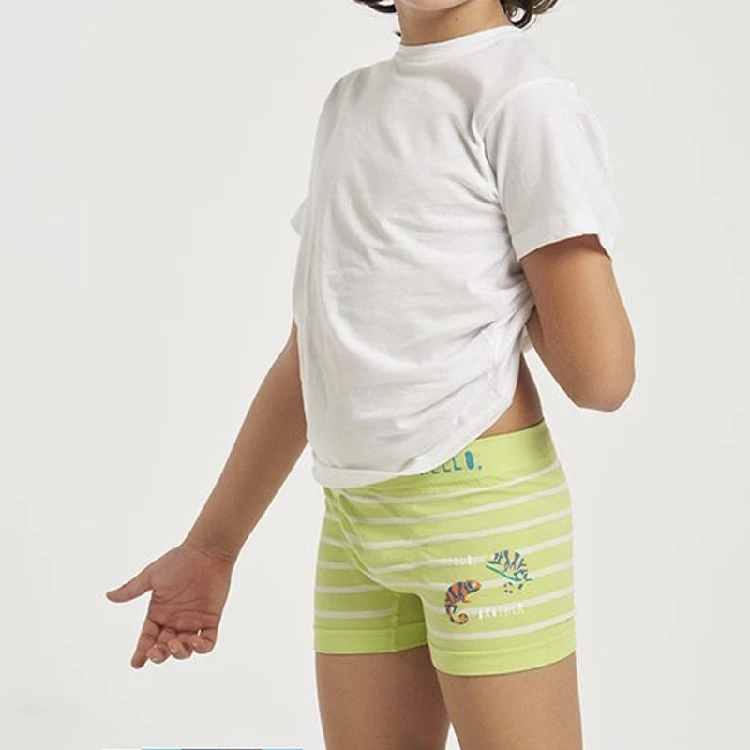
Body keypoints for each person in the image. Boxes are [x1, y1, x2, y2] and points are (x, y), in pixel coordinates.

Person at [105, 1, 635, 748]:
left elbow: (603, 379)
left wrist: (525, 267)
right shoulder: (351, 103)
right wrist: (212, 547)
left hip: (481, 515)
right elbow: (316, 353)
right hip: (356, 523)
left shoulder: (523, 99)